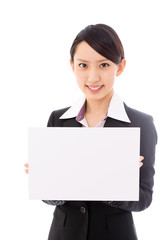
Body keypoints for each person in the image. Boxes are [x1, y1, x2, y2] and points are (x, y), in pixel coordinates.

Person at [25, 24, 157, 240]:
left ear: (120, 67)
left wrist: (114, 181)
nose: (93, 77)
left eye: (104, 64)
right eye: (83, 65)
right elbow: (49, 199)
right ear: (72, 66)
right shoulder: (57, 119)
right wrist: (44, 180)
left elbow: (144, 198)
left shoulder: (140, 123)